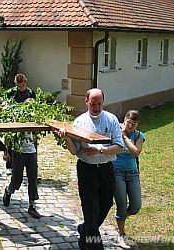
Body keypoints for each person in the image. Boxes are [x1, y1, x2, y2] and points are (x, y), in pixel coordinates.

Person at [58, 88, 124, 250]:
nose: (96, 107)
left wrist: (100, 150)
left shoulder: (111, 119)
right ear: (86, 102)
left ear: (103, 102)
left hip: (106, 168)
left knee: (106, 203)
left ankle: (84, 228)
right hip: (87, 169)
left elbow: (119, 147)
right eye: (93, 104)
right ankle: (94, 245)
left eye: (99, 104)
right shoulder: (79, 122)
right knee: (90, 208)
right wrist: (66, 138)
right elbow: (75, 151)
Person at [113, 110, 145, 249]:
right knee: (121, 204)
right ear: (124, 120)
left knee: (136, 206)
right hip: (116, 172)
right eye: (128, 122)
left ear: (137, 124)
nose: (130, 125)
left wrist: (125, 136)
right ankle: (121, 233)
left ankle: (121, 217)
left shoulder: (138, 135)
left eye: (134, 123)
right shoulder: (115, 130)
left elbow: (136, 151)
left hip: (132, 173)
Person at [5, 73, 36, 175]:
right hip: (13, 120)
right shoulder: (11, 93)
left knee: (28, 142)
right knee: (11, 141)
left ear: (26, 83)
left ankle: (30, 167)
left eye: (23, 85)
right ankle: (9, 165)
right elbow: (6, 105)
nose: (21, 88)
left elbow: (34, 107)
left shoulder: (31, 93)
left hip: (27, 120)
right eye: (19, 86)